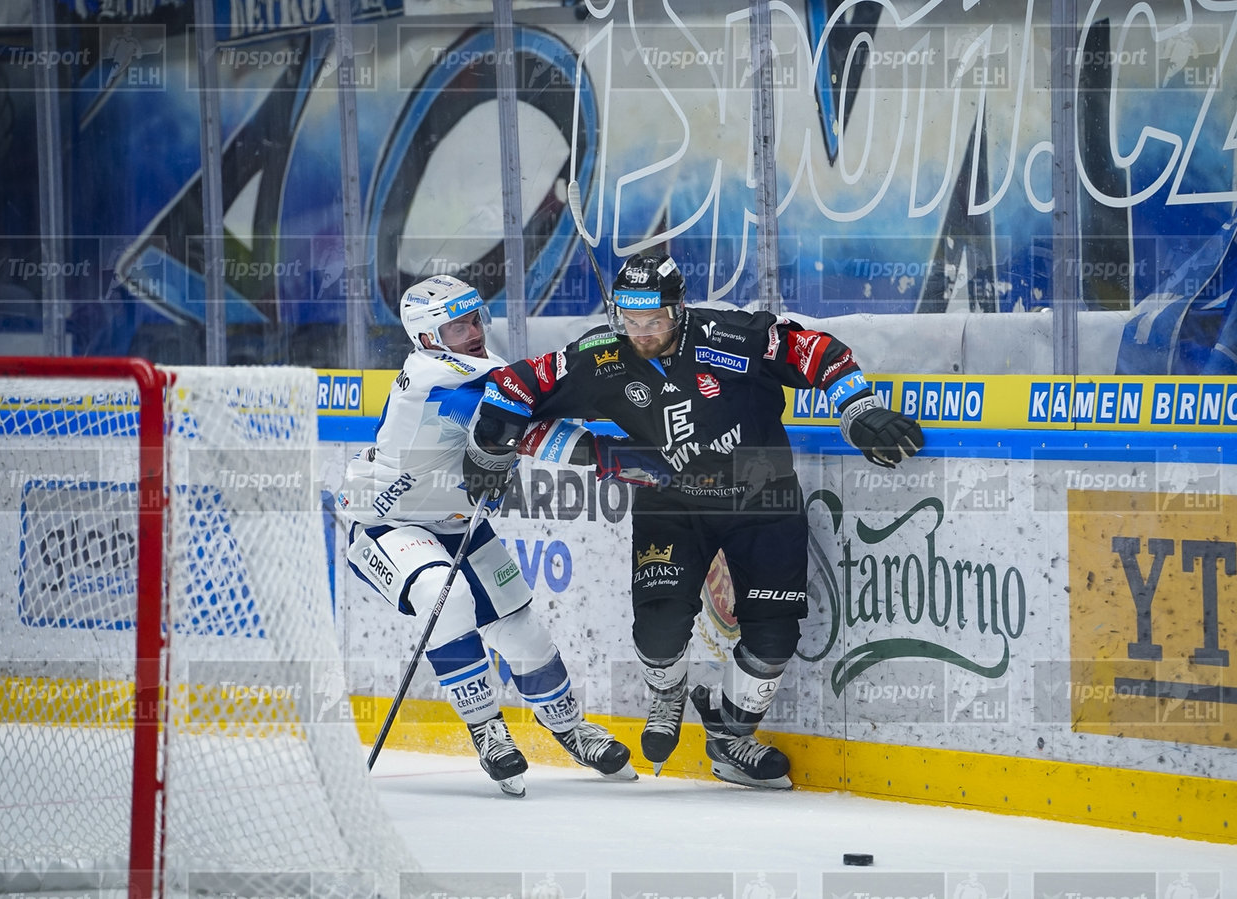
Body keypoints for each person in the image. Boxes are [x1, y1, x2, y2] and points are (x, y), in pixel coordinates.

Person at [462, 253, 923, 789]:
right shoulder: (601, 355)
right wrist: (492, 443)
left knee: (773, 640)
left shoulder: (730, 335)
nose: (642, 334)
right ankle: (669, 691)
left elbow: (819, 352)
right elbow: (514, 387)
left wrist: (857, 408)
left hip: (762, 497)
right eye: (630, 322)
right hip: (672, 502)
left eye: (653, 321)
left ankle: (730, 740)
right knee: (658, 634)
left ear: (678, 310)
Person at [339, 273, 665, 796]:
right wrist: (611, 419)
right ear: (426, 339)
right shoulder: (434, 380)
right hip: (388, 524)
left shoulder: (481, 372)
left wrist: (613, 370)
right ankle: (487, 727)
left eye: (474, 319)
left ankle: (566, 727)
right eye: (456, 327)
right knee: (444, 597)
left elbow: (529, 399)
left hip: (457, 523)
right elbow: (527, 422)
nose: (473, 331)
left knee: (521, 631)